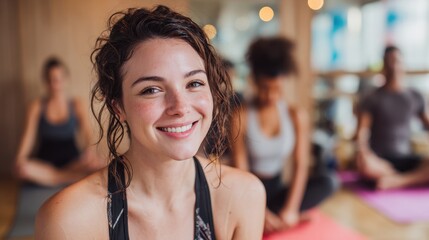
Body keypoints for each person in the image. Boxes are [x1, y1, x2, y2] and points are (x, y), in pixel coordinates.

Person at [35, 5, 265, 240]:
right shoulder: (70, 220)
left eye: (194, 83)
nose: (181, 107)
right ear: (118, 107)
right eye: (151, 89)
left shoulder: (243, 196)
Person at [231, 36, 337, 233]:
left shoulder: (296, 115)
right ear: (254, 81)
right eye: (265, 89)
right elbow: (241, 168)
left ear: (285, 83)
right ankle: (270, 221)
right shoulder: (241, 115)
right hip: (249, 190)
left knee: (329, 182)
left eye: (277, 89)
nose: (271, 96)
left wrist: (291, 208)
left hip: (278, 191)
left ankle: (278, 220)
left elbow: (301, 165)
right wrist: (260, 209)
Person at [14, 57, 102, 187]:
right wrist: (20, 159)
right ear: (45, 81)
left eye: (58, 79)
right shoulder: (37, 106)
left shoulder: (76, 104)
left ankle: (55, 178)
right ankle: (67, 178)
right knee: (23, 168)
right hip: (45, 164)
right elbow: (28, 138)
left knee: (101, 162)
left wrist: (90, 152)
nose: (55, 84)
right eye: (50, 80)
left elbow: (88, 135)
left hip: (73, 163)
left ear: (66, 79)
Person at [356, 46, 429, 190]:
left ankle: (397, 181)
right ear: (383, 66)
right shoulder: (372, 97)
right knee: (363, 163)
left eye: (396, 61)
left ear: (403, 64)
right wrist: (364, 153)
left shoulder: (415, 96)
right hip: (379, 161)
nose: (393, 66)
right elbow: (361, 133)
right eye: (389, 62)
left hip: (406, 157)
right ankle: (397, 177)